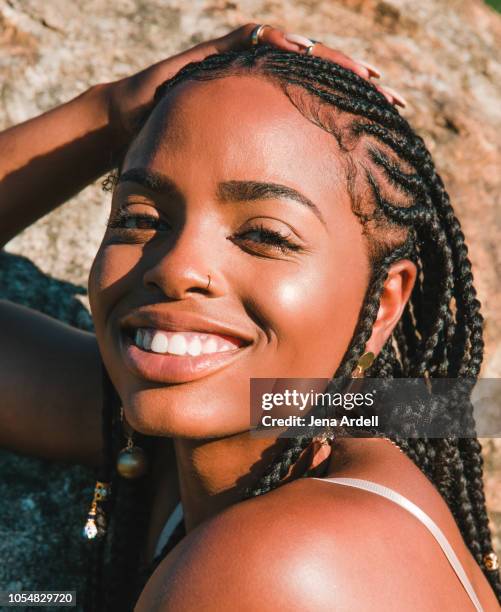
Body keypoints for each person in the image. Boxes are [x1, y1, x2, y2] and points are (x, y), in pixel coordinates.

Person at [0, 22, 499, 611]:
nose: (178, 266)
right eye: (139, 218)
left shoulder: (272, 567)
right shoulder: (245, 424)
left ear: (385, 301)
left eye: (264, 234)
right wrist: (112, 107)